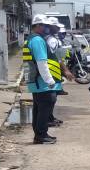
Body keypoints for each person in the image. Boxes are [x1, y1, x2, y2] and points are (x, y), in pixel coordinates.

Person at [22, 14, 63, 144]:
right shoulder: (38, 41)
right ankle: (41, 135)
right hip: (41, 81)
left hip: (35, 81)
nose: (47, 28)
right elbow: (42, 62)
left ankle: (40, 134)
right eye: (45, 25)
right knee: (46, 105)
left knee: (39, 108)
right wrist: (50, 81)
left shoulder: (30, 39)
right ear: (38, 26)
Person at [44, 19, 74, 127]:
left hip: (53, 71)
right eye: (55, 27)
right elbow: (58, 57)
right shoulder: (51, 40)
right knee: (51, 97)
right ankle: (47, 119)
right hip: (51, 71)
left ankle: (50, 117)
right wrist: (66, 70)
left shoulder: (49, 38)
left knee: (53, 96)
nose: (57, 29)